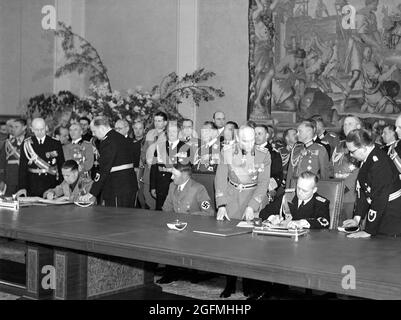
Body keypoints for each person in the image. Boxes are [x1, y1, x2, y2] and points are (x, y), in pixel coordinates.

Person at [215, 125, 271, 299]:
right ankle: (230, 284)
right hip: (232, 198)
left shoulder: (264, 155)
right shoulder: (227, 152)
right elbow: (220, 178)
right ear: (238, 139)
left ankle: (248, 284)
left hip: (252, 196)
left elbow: (263, 184)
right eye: (246, 140)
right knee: (229, 244)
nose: (250, 143)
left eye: (253, 139)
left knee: (250, 244)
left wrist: (252, 206)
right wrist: (222, 205)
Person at [157, 162, 214, 284]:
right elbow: (166, 208)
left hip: (193, 229)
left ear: (184, 176)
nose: (171, 177)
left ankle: (191, 272)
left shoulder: (198, 189)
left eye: (174, 175)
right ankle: (170, 272)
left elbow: (209, 212)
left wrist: (188, 218)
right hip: (176, 226)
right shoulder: (172, 186)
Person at [343, 129, 401, 238]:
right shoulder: (367, 158)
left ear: (364, 148)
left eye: (352, 151)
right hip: (381, 215)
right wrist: (357, 218)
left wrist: (368, 231)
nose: (351, 155)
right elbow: (364, 191)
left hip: (392, 219)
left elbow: (379, 199)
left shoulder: (380, 164)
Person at [79, 116, 138, 208]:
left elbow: (104, 169)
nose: (93, 134)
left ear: (102, 128)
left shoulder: (108, 141)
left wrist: (92, 193)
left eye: (94, 131)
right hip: (130, 185)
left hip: (117, 187)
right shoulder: (120, 138)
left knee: (115, 219)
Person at [261, 171, 330, 229]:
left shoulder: (321, 203)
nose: (300, 192)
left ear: (314, 190)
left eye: (304, 191)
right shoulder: (288, 196)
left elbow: (324, 222)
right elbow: (263, 212)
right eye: (298, 188)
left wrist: (302, 223)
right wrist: (272, 218)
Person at [18, 118, 65, 196]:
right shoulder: (26, 144)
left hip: (51, 184)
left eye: (42, 129)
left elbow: (61, 166)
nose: (39, 132)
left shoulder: (55, 143)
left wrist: (60, 187)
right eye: (37, 130)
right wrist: (22, 187)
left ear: (46, 127)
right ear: (32, 129)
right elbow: (22, 168)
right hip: (32, 185)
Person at [150, 122, 189, 210]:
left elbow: (186, 169)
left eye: (174, 131)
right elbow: (154, 168)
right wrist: (153, 186)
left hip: (177, 185)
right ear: (166, 132)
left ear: (179, 132)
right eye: (169, 131)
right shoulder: (159, 147)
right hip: (161, 185)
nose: (171, 133)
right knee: (160, 213)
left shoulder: (185, 147)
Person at [332, 115, 362, 222]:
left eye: (350, 124)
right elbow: (333, 168)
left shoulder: (361, 145)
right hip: (337, 193)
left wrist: (343, 187)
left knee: (351, 227)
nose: (346, 126)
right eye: (344, 124)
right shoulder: (339, 146)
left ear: (358, 126)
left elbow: (360, 170)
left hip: (351, 194)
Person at [286, 121, 331, 188]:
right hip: (294, 188)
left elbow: (324, 175)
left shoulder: (320, 149)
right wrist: (288, 190)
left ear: (309, 132)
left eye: (300, 131)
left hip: (310, 188)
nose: (297, 134)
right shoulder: (296, 149)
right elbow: (290, 173)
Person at [141, 112, 168, 209]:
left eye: (159, 121)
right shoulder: (150, 133)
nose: (156, 123)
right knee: (147, 197)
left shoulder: (169, 135)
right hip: (149, 170)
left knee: (161, 200)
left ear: (165, 123)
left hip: (162, 171)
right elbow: (144, 151)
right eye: (155, 121)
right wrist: (145, 160)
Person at [0, 119, 27, 195]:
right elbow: (2, 164)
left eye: (16, 127)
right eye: (12, 127)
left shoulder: (30, 142)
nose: (13, 129)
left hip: (25, 182)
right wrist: (1, 180)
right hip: (10, 182)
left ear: (24, 127)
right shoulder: (7, 143)